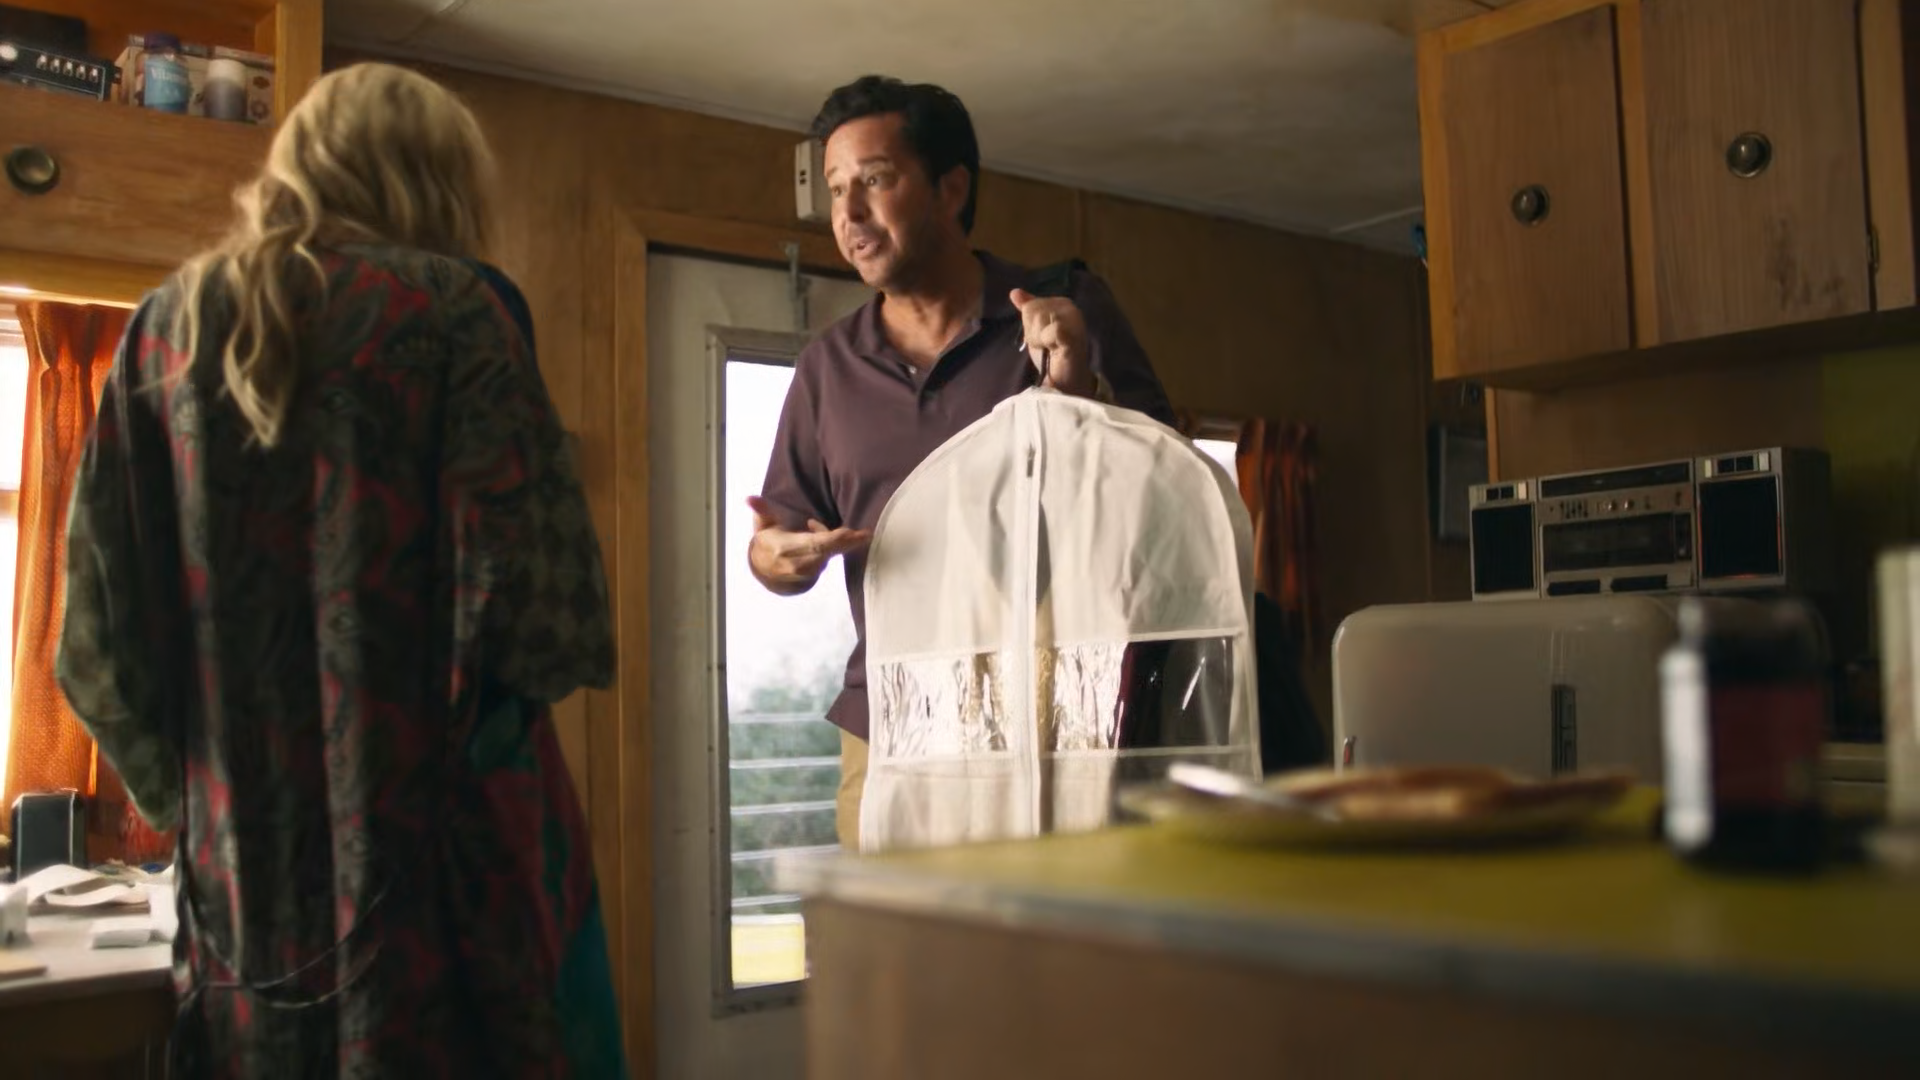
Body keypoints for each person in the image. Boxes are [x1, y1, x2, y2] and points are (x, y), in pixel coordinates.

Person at [55, 62, 625, 1078]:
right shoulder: (459, 310)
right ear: (436, 180)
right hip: (446, 887)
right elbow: (549, 621)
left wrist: (212, 805)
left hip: (244, 899)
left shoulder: (159, 332)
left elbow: (98, 653)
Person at [748, 75, 1177, 849]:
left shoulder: (1065, 308)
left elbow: (1163, 486)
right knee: (887, 930)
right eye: (837, 189)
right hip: (891, 720)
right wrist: (775, 559)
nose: (848, 215)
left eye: (874, 180)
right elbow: (776, 537)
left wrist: (1077, 383)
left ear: (950, 190)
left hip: (1061, 717)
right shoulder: (826, 368)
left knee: (1061, 926)